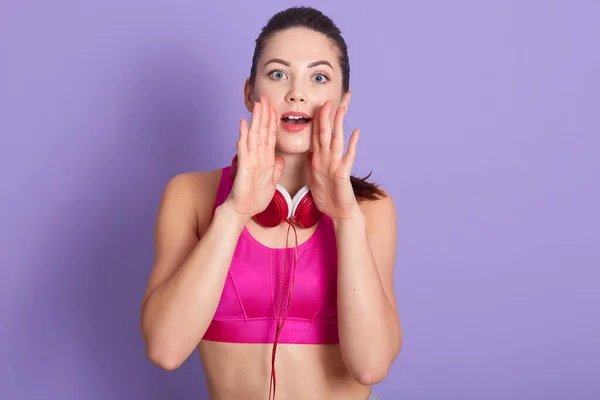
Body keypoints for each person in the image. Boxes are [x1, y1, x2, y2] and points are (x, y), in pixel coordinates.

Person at [140, 6, 402, 400]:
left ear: (343, 100)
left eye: (318, 77)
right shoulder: (189, 195)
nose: (296, 92)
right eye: (278, 74)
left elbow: (371, 365)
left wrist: (347, 219)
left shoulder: (372, 209)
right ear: (250, 92)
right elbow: (165, 350)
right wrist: (234, 212)